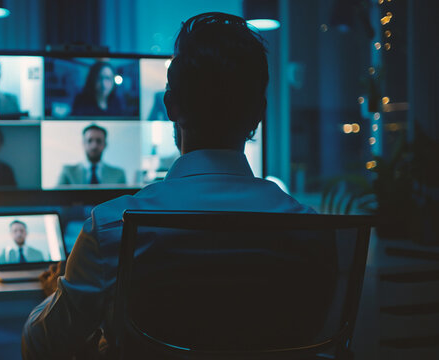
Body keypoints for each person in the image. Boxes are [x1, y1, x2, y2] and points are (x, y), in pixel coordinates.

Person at [22, 13, 316, 358]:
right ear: (260, 113)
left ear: (170, 106)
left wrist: (59, 299)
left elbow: (41, 346)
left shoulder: (113, 226)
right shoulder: (308, 228)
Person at [57, 124, 127, 186]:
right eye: (90, 140)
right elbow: (56, 198)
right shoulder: (68, 172)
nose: (94, 146)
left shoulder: (118, 174)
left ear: (105, 144)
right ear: (83, 144)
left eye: (98, 141)